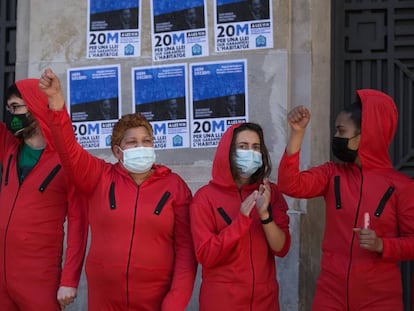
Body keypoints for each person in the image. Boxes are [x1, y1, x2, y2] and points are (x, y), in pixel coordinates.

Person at [38, 68, 197, 311]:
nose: (141, 147)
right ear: (117, 150)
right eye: (132, 142)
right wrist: (57, 102)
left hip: (154, 300)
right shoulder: (99, 176)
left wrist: (174, 303)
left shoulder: (175, 187)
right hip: (105, 300)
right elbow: (68, 150)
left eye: (146, 141)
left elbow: (186, 252)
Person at [278, 89, 414, 310]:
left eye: (341, 131)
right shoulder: (332, 174)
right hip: (331, 293)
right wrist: (297, 133)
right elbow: (289, 184)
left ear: (366, 133)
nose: (336, 137)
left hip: (380, 297)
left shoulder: (401, 186)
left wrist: (382, 244)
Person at [0, 78, 88, 310]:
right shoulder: (9, 145)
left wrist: (69, 280)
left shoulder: (67, 161)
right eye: (8, 109)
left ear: (35, 106)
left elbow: (79, 223)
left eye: (16, 107)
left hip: (39, 278)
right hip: (2, 275)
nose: (11, 115)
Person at [191, 122, 291, 311]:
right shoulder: (205, 197)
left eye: (256, 147)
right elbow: (206, 255)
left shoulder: (270, 192)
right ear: (228, 151)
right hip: (222, 302)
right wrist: (241, 221)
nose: (250, 153)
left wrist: (264, 216)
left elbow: (281, 248)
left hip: (265, 301)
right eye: (243, 146)